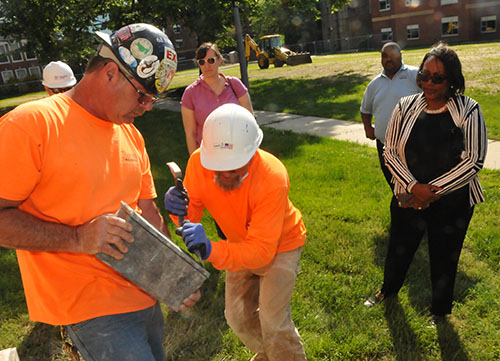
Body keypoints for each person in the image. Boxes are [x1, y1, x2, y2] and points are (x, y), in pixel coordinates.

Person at [0, 23, 199, 361]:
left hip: (145, 300)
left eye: (154, 99)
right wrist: (79, 238)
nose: (148, 107)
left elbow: (148, 213)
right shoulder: (32, 125)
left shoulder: (131, 135)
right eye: (143, 95)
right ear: (110, 73)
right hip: (92, 313)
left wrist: (171, 275)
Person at [164, 103, 307, 361]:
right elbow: (190, 214)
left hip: (281, 245)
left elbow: (262, 253)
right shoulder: (199, 163)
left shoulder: (272, 176)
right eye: (219, 167)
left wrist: (211, 249)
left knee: (273, 320)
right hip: (239, 243)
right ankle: (271, 352)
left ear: (253, 152)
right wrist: (177, 209)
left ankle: (283, 353)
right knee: (236, 318)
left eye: (234, 167)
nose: (225, 174)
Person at [364, 42, 488, 325]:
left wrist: (432, 192)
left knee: (444, 255)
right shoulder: (405, 106)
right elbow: (390, 150)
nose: (429, 82)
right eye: (424, 75)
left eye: (438, 77)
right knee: (399, 246)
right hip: (409, 196)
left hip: (453, 202)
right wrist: (412, 187)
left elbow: (474, 160)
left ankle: (440, 311)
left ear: (452, 80)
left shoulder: (468, 110)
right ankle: (388, 290)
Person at [360, 42, 420, 188]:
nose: (388, 59)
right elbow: (365, 109)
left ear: (400, 56)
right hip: (385, 146)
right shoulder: (374, 84)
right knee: (394, 185)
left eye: (392, 55)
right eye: (384, 56)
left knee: (414, 183)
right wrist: (368, 128)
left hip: (412, 145)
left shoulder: (415, 75)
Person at [181, 42, 254, 155]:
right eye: (202, 62)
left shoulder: (234, 84)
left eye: (211, 60)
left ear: (219, 60)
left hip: (239, 152)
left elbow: (250, 120)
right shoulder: (190, 93)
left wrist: (251, 150)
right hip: (209, 156)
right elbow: (190, 133)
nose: (207, 65)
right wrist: (194, 162)